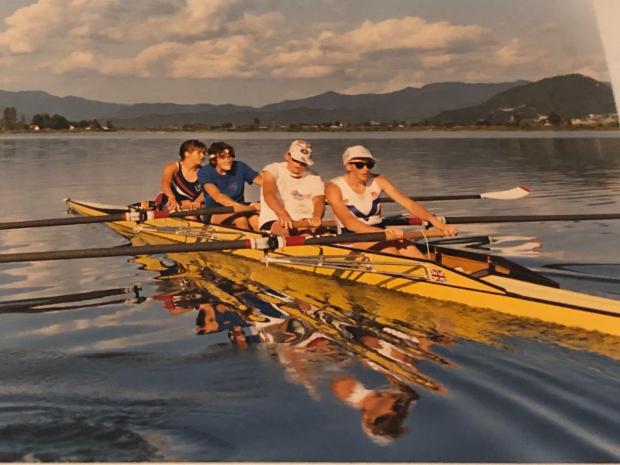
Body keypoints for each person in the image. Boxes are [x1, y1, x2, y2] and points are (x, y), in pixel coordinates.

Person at [325, 145, 457, 258]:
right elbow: (350, 223)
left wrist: (436, 222)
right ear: (348, 166)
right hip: (351, 238)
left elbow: (408, 203)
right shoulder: (334, 187)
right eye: (360, 165)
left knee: (412, 251)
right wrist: (383, 234)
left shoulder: (379, 180)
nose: (366, 169)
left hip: (382, 233)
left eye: (370, 164)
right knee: (390, 249)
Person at [259, 140, 325, 235]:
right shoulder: (272, 170)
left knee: (323, 234)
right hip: (276, 218)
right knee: (286, 231)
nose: (298, 165)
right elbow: (269, 194)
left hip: (305, 221)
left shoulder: (314, 176)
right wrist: (282, 214)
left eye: (303, 163)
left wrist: (316, 216)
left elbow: (319, 199)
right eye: (296, 160)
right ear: (287, 156)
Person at [198, 142, 262, 230]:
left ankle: (266, 240)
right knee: (241, 219)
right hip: (216, 212)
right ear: (213, 160)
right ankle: (249, 241)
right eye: (222, 157)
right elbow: (218, 197)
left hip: (242, 208)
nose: (228, 160)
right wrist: (250, 208)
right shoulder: (205, 172)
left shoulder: (240, 166)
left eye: (230, 156)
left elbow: (264, 183)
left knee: (256, 220)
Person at [157, 139, 206, 211]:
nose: (203, 156)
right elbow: (165, 183)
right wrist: (171, 196)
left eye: (204, 153)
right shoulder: (173, 167)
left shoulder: (205, 172)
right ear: (187, 154)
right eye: (199, 153)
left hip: (193, 206)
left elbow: (207, 191)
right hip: (171, 202)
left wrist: (197, 202)